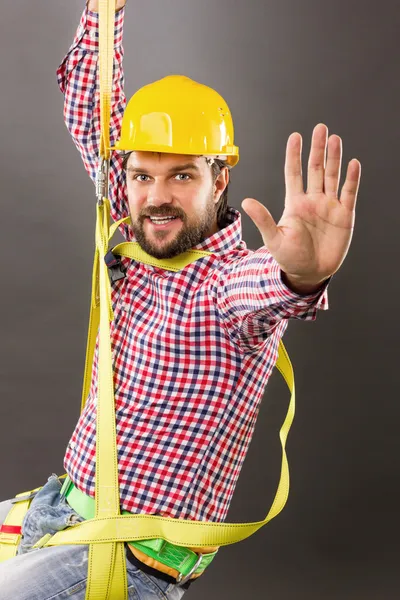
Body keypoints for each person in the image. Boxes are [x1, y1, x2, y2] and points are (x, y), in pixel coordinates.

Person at [0, 0, 361, 598]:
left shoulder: (229, 286)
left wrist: (300, 275)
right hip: (55, 510)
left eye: (183, 176)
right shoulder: (138, 227)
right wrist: (104, 7)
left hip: (126, 556)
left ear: (219, 179)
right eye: (142, 175)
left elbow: (270, 289)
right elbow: (91, 104)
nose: (156, 196)